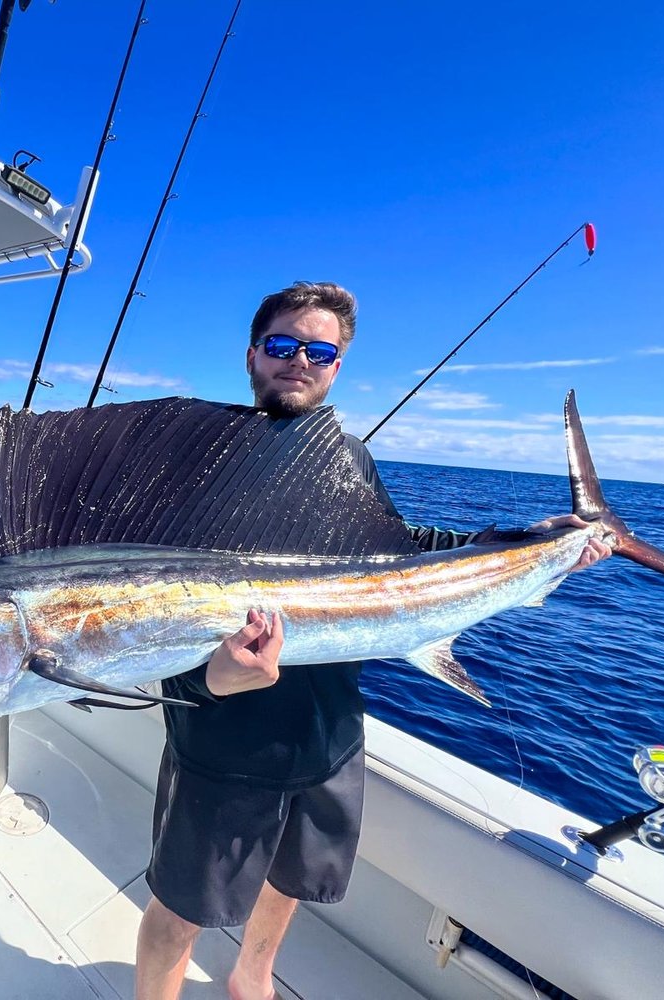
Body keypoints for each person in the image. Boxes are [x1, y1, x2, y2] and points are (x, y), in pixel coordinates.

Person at [133, 281, 609, 1000]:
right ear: (251, 355)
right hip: (221, 747)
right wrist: (207, 680)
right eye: (282, 345)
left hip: (328, 731)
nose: (299, 361)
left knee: (291, 878)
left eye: (318, 351)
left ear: (336, 366)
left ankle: (251, 982)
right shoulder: (199, 465)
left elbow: (394, 551)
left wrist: (519, 543)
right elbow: (149, 616)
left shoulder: (346, 457)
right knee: (180, 909)